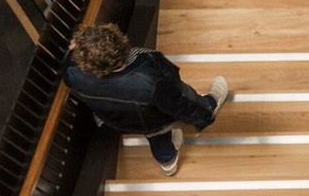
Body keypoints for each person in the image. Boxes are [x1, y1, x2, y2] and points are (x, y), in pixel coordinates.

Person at [63, 23, 227, 177]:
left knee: (156, 138)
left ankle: (168, 163)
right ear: (122, 44)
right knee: (175, 112)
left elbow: (71, 63)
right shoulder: (148, 72)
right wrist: (203, 116)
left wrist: (74, 53)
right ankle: (211, 104)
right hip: (156, 119)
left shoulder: (71, 73)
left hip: (119, 120)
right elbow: (178, 99)